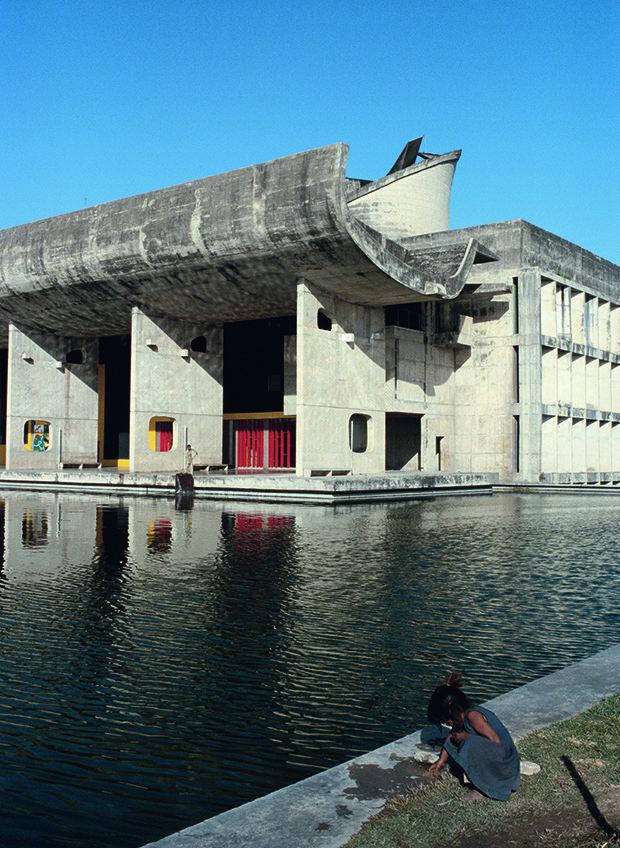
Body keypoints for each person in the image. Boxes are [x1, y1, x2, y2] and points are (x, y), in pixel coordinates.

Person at [427, 672, 520, 801]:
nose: (447, 725)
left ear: (454, 713)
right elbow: (451, 735)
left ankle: (482, 790)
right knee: (459, 737)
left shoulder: (473, 716)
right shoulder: (464, 715)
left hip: (505, 767)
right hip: (499, 762)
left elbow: (495, 742)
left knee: (469, 741)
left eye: (446, 722)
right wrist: (441, 760)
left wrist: (467, 737)